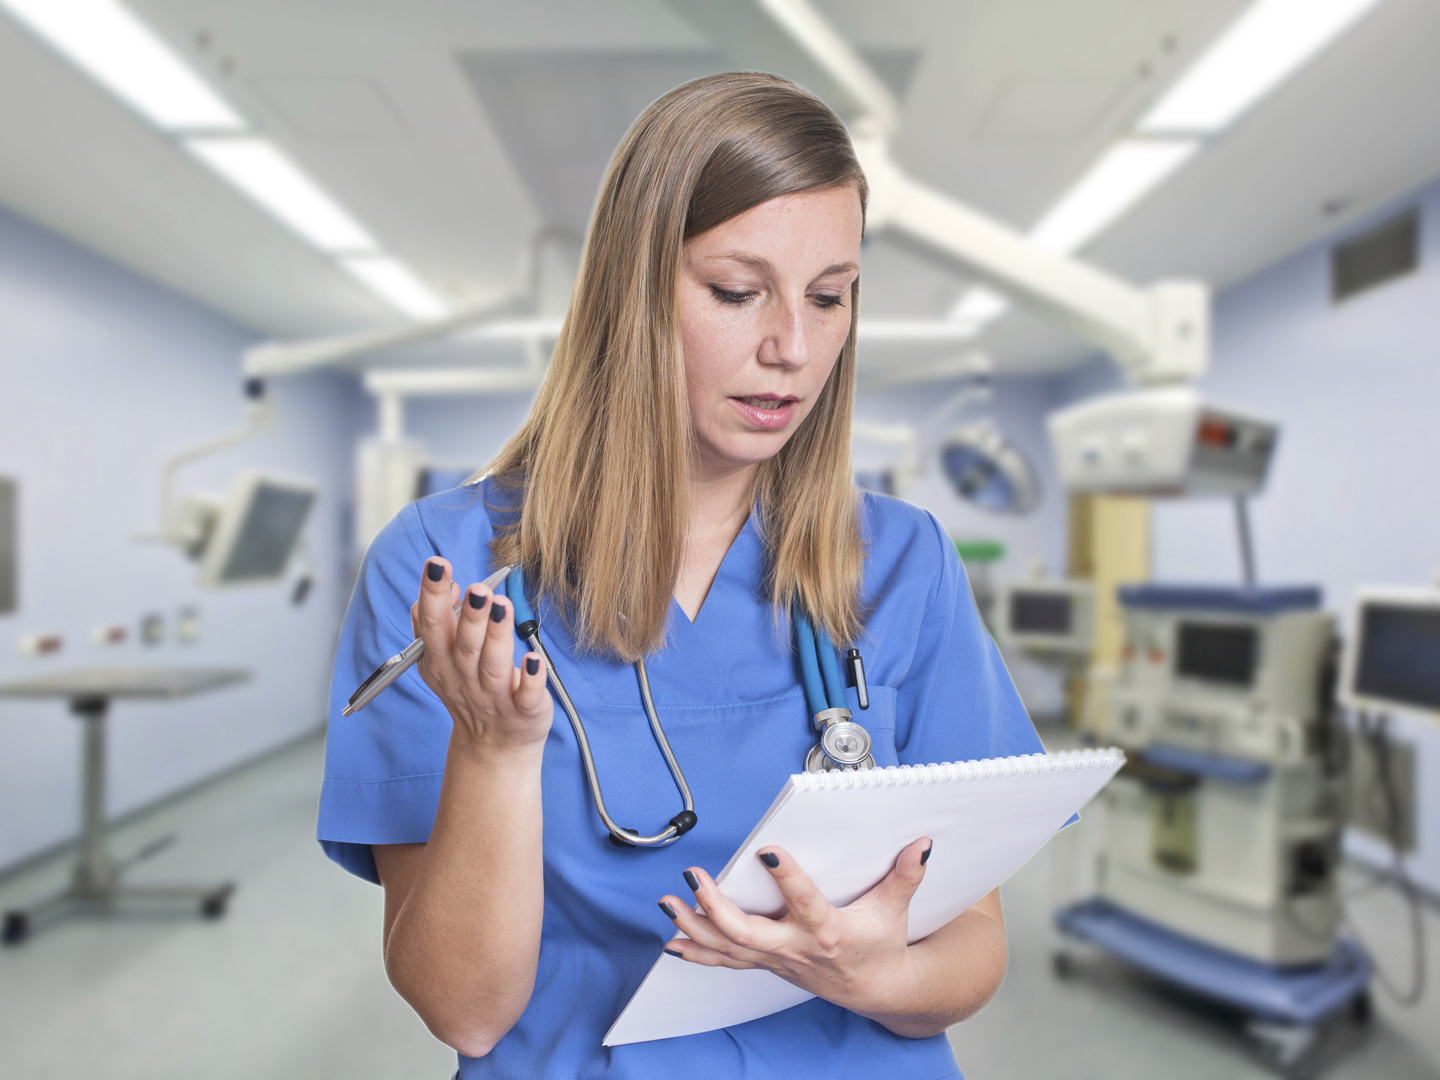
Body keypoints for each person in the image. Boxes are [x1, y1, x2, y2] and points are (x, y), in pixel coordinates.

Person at [318, 71, 1042, 1079]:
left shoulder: (902, 562)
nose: (792, 346)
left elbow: (971, 953)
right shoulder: (451, 570)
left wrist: (874, 974)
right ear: (633, 290)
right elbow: (466, 1014)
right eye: (738, 293)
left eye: (829, 296)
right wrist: (492, 754)